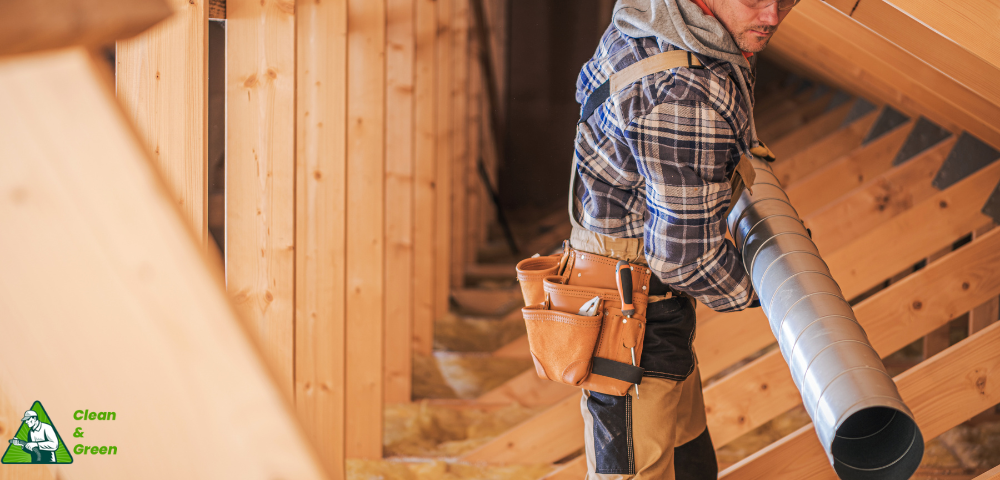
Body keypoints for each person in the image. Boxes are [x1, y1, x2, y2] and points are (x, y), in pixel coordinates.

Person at [570, 0, 796, 478]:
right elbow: (685, 260)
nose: (773, 16)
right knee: (638, 471)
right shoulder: (687, 89)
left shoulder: (653, 17)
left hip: (639, 289)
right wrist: (776, 293)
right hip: (630, 315)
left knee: (687, 454)